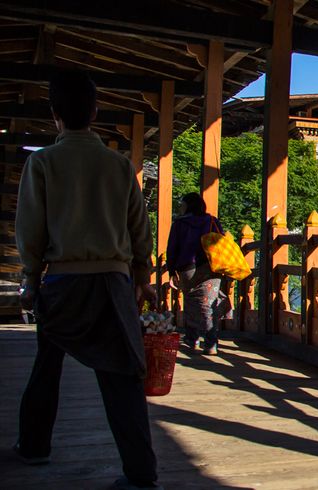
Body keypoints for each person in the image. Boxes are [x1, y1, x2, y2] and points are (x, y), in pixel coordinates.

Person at [14, 71, 159, 489]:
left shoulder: (41, 163)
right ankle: (141, 474)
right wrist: (142, 275)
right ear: (95, 112)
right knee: (123, 378)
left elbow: (32, 231)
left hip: (62, 284)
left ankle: (35, 446)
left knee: (47, 365)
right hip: (113, 285)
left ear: (54, 115)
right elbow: (139, 229)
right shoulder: (119, 167)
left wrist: (29, 279)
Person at [166, 192, 230, 355]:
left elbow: (172, 248)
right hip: (210, 266)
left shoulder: (179, 224)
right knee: (210, 303)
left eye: (182, 204)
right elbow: (221, 242)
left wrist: (172, 270)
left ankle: (192, 339)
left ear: (188, 206)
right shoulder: (212, 221)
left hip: (188, 267)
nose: (180, 207)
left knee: (191, 301)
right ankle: (211, 342)